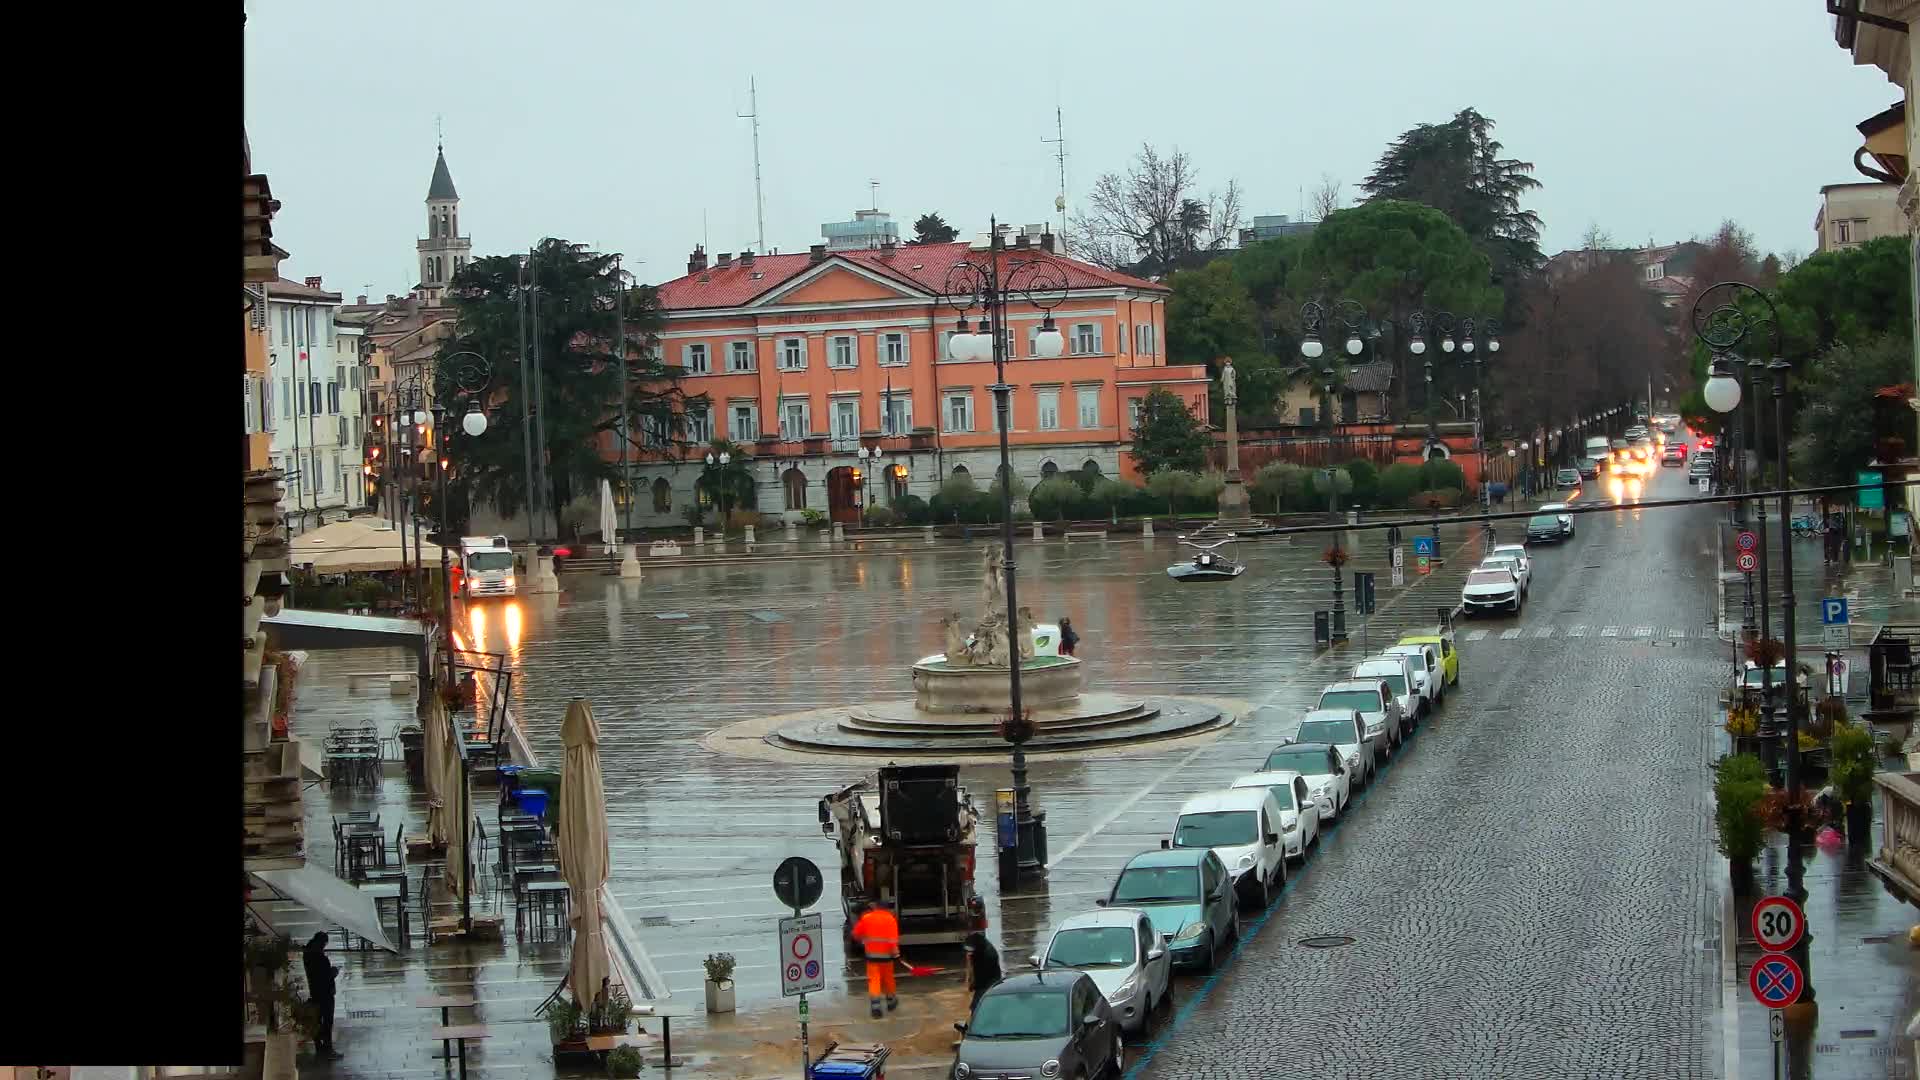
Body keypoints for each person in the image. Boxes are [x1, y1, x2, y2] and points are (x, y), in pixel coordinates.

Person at [850, 899, 900, 1018]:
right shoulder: (890, 919)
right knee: (888, 979)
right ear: (886, 909)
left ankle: (875, 1006)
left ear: (876, 907)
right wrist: (896, 954)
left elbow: (855, 934)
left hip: (871, 956)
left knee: (874, 980)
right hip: (887, 957)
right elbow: (893, 941)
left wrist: (863, 941)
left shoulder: (867, 918)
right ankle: (891, 1001)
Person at [303, 932, 341, 1060]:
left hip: (315, 992)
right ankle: (328, 1049)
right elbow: (326, 976)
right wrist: (334, 971)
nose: (325, 946)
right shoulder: (320, 958)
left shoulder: (307, 954)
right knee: (327, 1021)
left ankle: (319, 1047)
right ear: (321, 942)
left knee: (317, 1020)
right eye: (324, 944)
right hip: (326, 993)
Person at [964, 931, 1002, 1016]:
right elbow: (971, 963)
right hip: (982, 977)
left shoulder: (989, 955)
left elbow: (981, 977)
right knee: (976, 1005)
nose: (969, 953)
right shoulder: (975, 946)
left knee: (979, 1004)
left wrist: (973, 984)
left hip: (990, 980)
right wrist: (969, 978)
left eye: (971, 951)